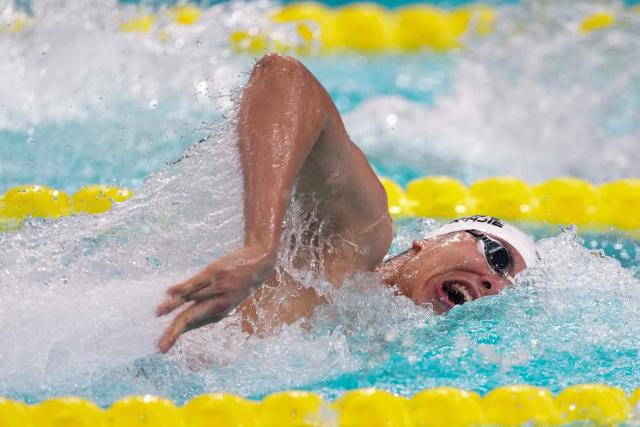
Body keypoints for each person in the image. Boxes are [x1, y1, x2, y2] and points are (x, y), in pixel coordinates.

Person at [155, 53, 538, 353]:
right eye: (497, 255)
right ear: (430, 241)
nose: (494, 283)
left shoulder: (379, 345)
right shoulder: (357, 240)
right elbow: (284, 77)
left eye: (510, 288)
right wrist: (260, 246)